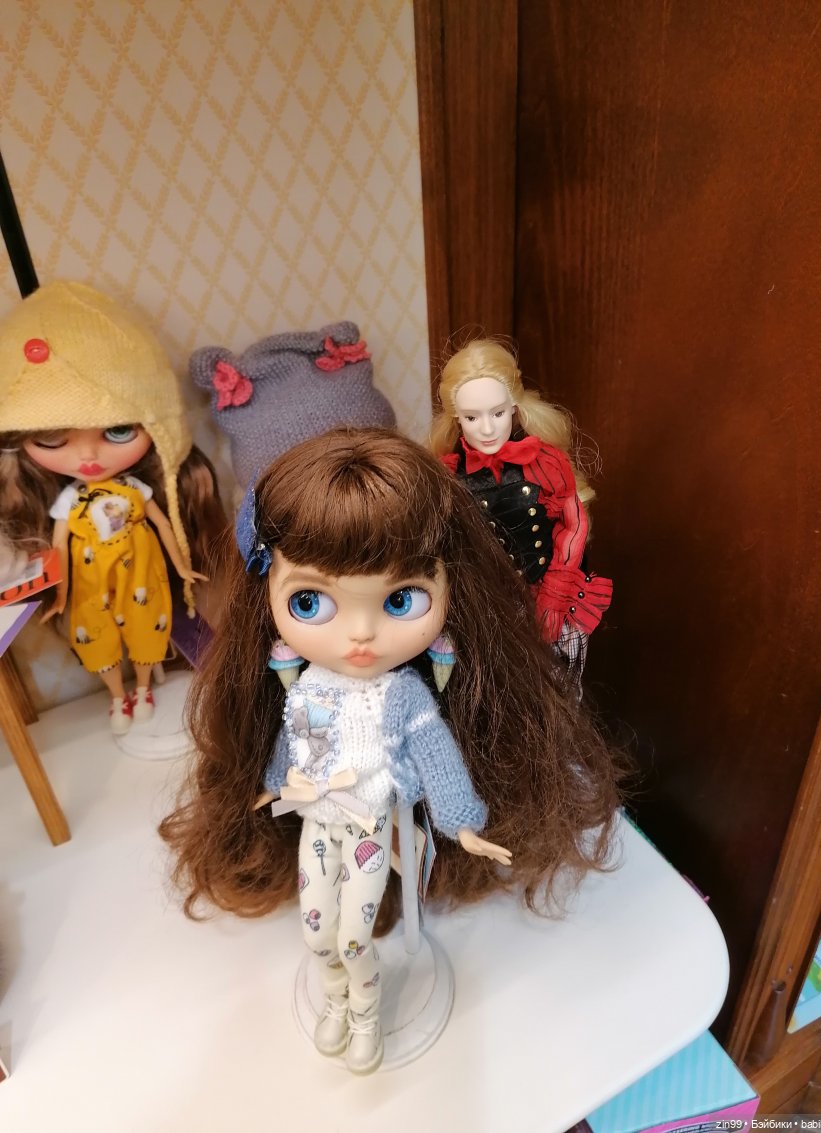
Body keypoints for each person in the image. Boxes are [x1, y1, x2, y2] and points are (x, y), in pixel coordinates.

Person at [160, 427, 623, 1073]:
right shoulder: (303, 686)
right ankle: (335, 999)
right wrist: (271, 785)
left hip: (372, 828)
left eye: (400, 599)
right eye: (309, 600)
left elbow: (437, 758)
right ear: (267, 596)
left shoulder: (404, 696)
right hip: (316, 825)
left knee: (354, 935)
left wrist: (464, 825)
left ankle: (366, 1014)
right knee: (317, 931)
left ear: (451, 587)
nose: (361, 634)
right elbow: (295, 743)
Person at [0, 281, 227, 732]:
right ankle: (118, 697)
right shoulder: (68, 501)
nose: (88, 457)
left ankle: (142, 688)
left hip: (143, 577)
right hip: (91, 587)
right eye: (52, 439)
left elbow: (164, 526)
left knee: (147, 629)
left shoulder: (136, 491)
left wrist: (183, 569)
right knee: (99, 637)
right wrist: (60, 594)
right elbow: (59, 549)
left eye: (118, 431)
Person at [432, 338, 612, 681]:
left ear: (515, 407)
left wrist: (554, 595)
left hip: (550, 593)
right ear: (456, 418)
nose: (487, 428)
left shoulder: (546, 463)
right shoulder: (448, 477)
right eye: (471, 417)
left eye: (498, 413)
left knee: (559, 683)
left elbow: (574, 526)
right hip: (488, 605)